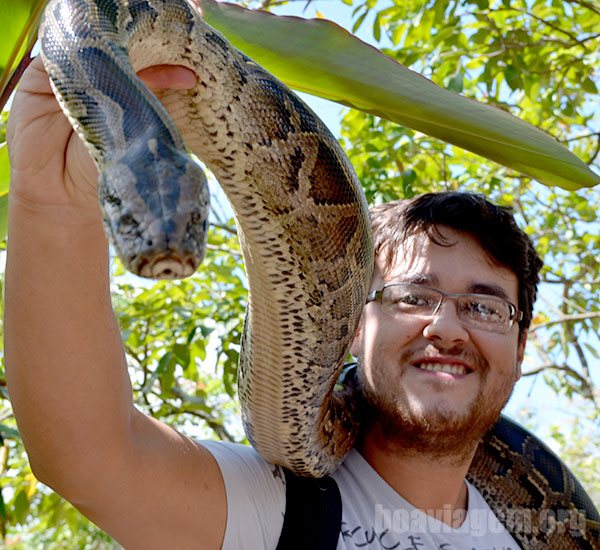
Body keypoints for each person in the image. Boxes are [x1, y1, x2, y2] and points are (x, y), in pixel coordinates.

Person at [3, 57, 583, 549]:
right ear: (355, 324)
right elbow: (89, 457)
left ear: (522, 344)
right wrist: (52, 201)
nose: (447, 328)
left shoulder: (547, 530)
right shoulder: (279, 510)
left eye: (484, 308)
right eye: (414, 296)